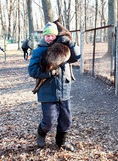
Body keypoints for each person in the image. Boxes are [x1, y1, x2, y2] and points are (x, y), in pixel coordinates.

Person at [28, 22, 81, 151]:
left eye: (52, 35)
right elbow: (32, 71)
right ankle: (41, 134)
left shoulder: (63, 48)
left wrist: (70, 43)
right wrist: (49, 73)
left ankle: (61, 142)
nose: (50, 38)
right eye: (47, 36)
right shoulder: (39, 50)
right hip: (47, 92)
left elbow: (77, 56)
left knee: (66, 120)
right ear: (44, 36)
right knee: (50, 119)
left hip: (64, 90)